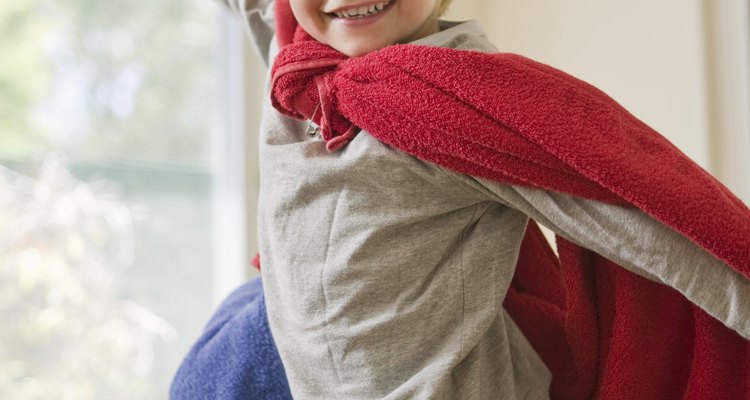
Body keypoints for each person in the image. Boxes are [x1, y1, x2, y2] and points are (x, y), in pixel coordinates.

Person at [172, 1, 750, 399]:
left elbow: (652, 212)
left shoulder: (472, 102)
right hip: (281, 361)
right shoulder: (298, 42)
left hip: (428, 385)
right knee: (231, 339)